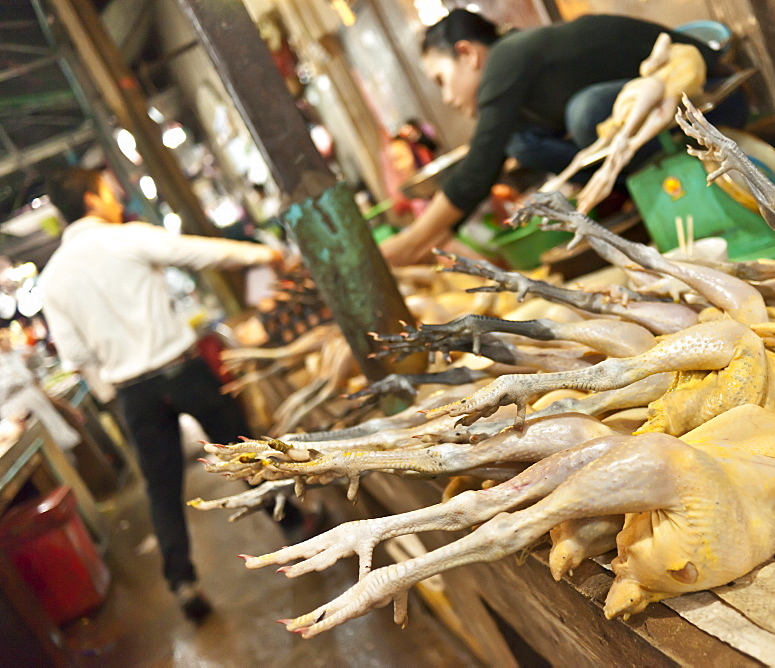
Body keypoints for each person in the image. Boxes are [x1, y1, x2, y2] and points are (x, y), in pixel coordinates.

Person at [38, 167, 295, 622]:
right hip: (183, 371)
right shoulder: (126, 237)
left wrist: (113, 384)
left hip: (133, 393)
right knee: (242, 449)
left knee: (162, 488)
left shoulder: (53, 278)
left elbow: (75, 354)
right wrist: (265, 255)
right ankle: (290, 521)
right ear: (91, 200)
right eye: (109, 192)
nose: (116, 200)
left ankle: (182, 581)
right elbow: (196, 252)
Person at [378, 10, 730, 266]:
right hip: (679, 117)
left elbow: (477, 168)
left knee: (586, 112)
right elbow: (485, 166)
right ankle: (635, 198)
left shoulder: (505, 57)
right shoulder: (515, 70)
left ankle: (652, 195)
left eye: (441, 79)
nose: (447, 99)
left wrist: (409, 243)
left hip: (714, 99)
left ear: (468, 54)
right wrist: (430, 240)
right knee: (519, 142)